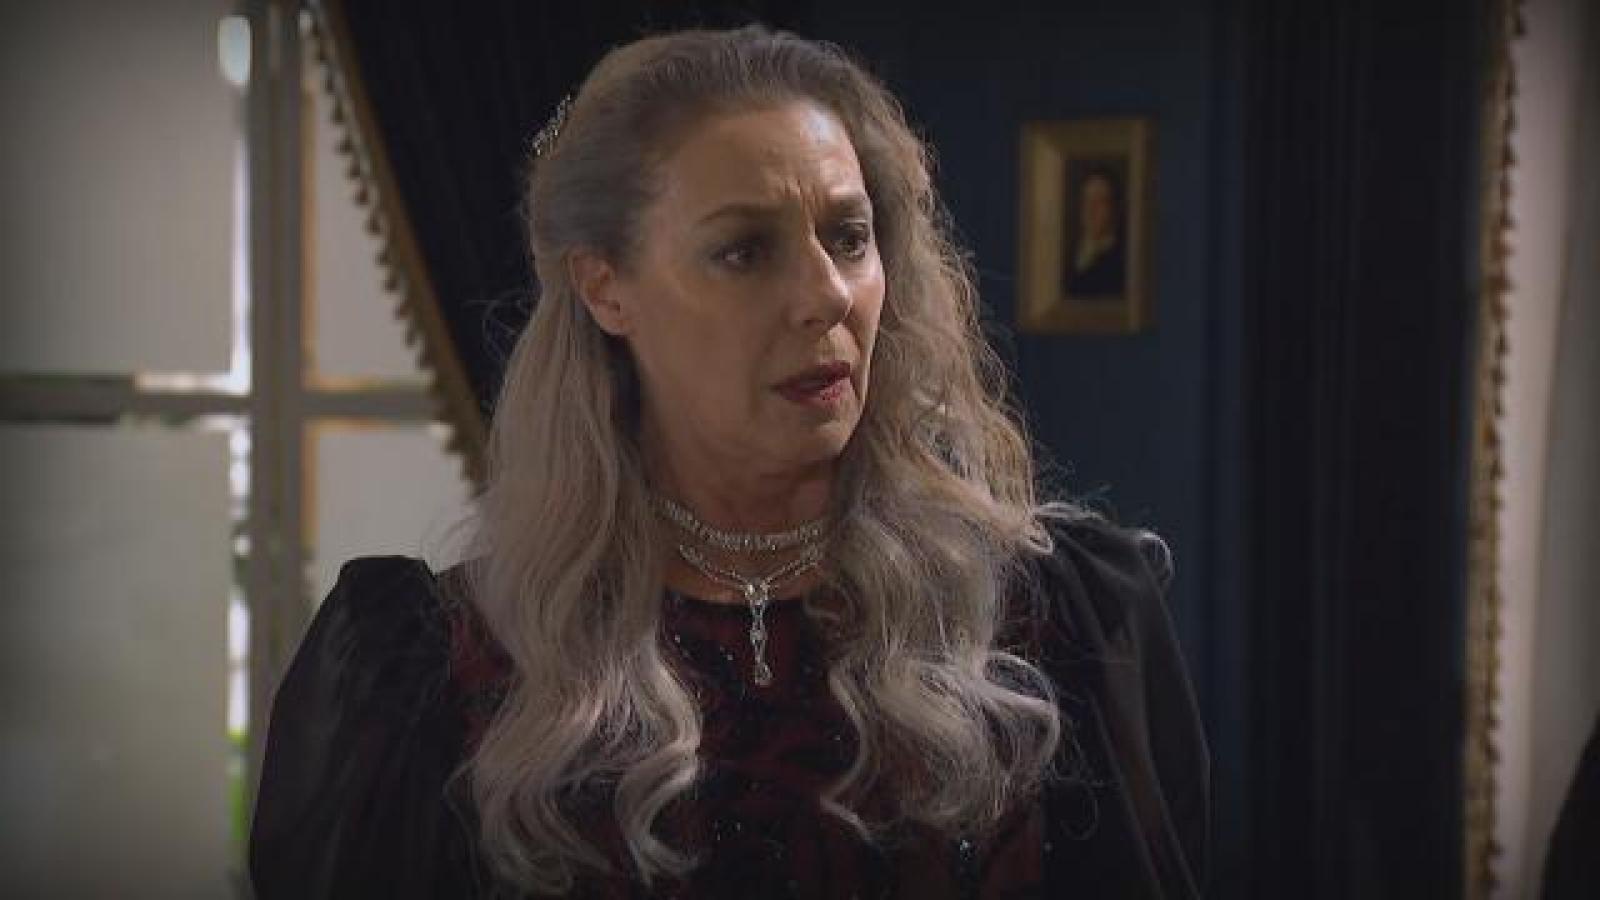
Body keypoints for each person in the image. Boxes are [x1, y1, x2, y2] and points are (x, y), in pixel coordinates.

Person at [250, 23, 1207, 899]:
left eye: (849, 237)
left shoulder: (1060, 627)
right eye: (745, 251)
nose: (826, 296)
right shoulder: (444, 670)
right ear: (605, 288)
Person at [1063, 168, 1127, 298]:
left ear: (1115, 209)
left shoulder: (1122, 260)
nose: (1090, 209)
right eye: (1086, 200)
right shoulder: (1069, 251)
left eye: (1100, 201)